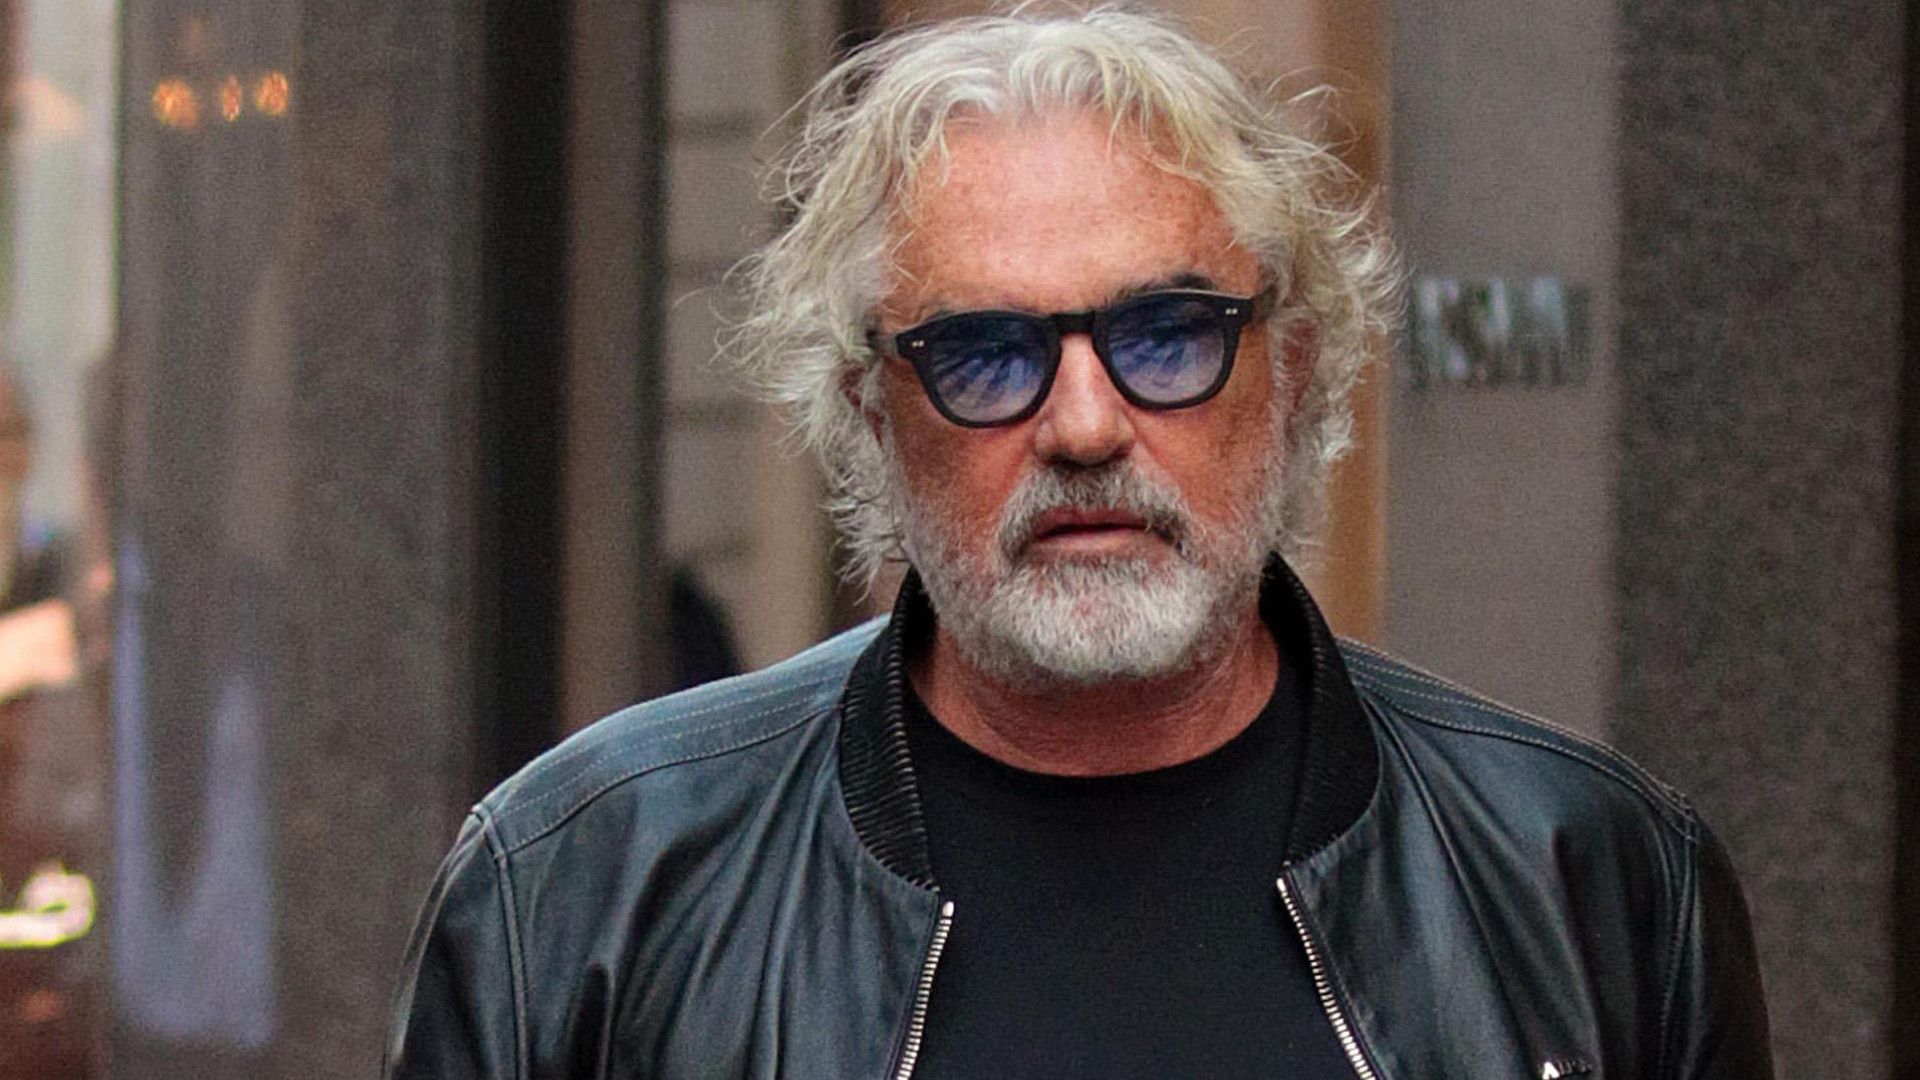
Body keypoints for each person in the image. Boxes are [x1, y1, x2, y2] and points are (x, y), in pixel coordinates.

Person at [386, 8, 1771, 1078]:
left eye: (1166, 336)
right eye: (987, 355)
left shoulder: (1589, 879)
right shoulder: (581, 891)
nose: (1087, 425)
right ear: (871, 413)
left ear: (1290, 371)